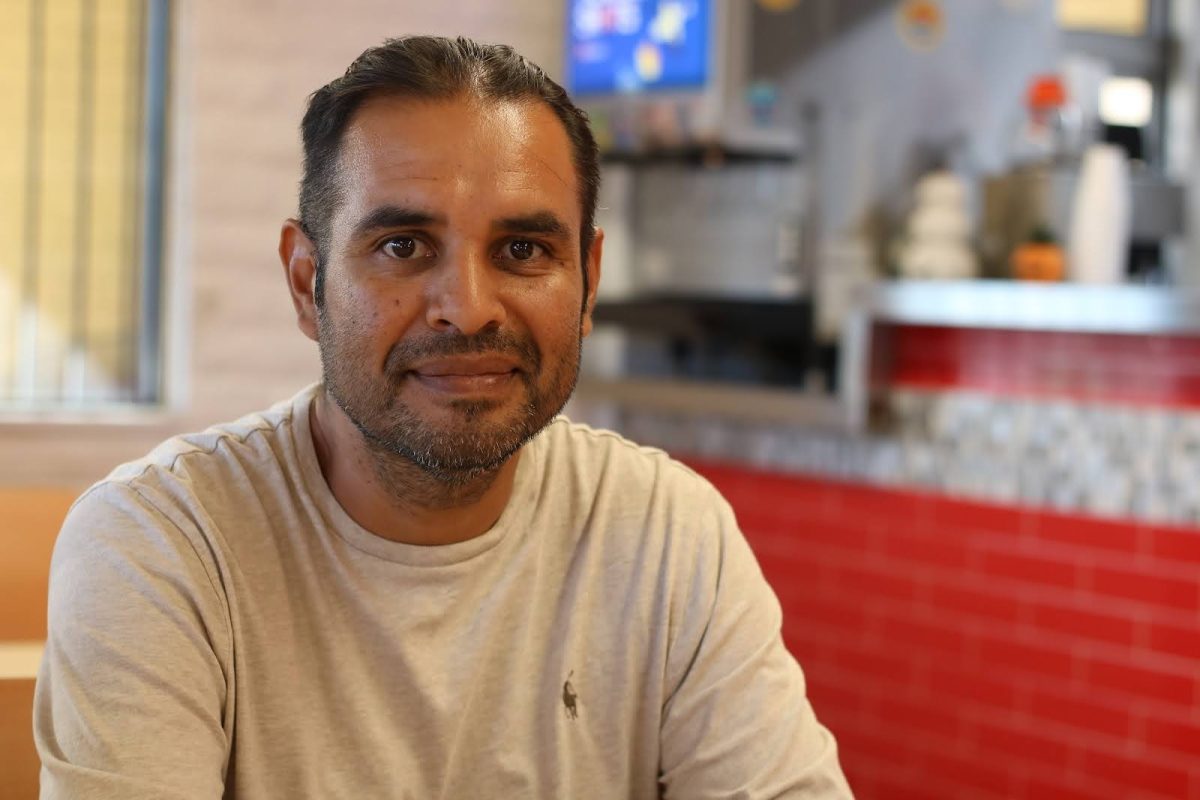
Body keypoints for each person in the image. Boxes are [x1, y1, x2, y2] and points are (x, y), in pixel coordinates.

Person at [34, 35, 853, 799]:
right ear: (304, 283)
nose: (466, 308)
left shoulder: (668, 537)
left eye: (524, 251)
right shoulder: (163, 544)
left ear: (589, 281)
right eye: (402, 246)